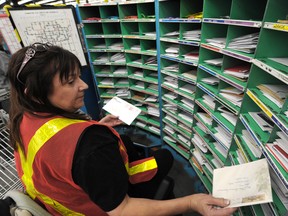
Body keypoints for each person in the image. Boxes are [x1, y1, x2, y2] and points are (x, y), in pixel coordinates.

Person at [8, 43, 237, 216]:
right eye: (70, 82)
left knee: (132, 146)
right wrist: (191, 202)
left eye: (79, 76)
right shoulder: (90, 145)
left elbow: (59, 150)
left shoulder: (23, 118)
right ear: (35, 93)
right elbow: (121, 210)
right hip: (101, 207)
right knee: (164, 156)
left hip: (65, 198)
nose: (84, 85)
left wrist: (96, 126)